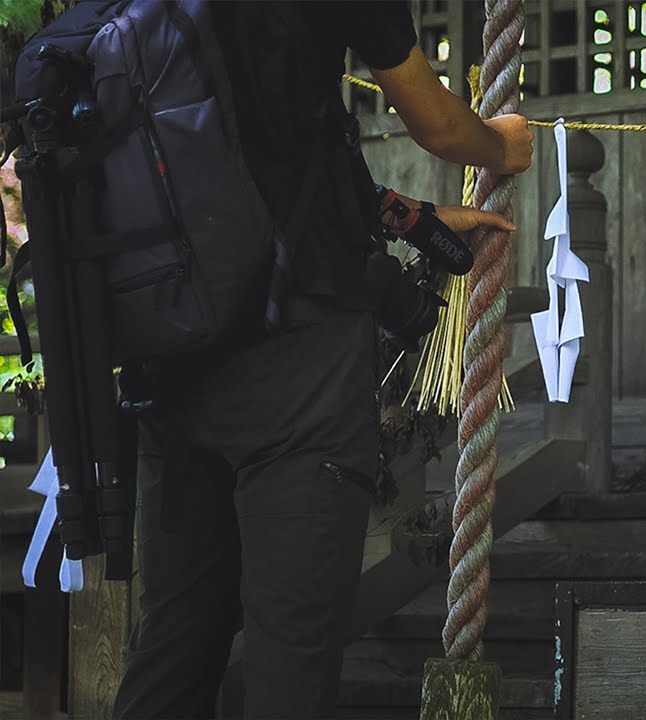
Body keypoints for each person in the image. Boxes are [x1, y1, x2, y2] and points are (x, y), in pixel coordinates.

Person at [109, 2, 533, 719]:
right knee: (291, 666)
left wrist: (407, 216)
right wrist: (499, 145)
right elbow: (435, 123)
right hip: (295, 373)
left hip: (171, 362)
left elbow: (235, 159)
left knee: (171, 652)